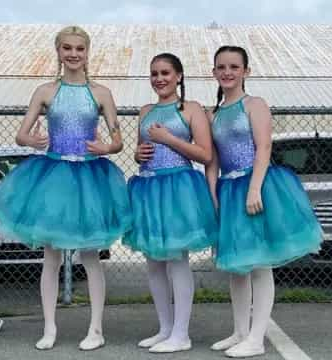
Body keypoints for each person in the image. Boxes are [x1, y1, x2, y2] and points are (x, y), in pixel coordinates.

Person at [0, 25, 132, 351]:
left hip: (91, 178)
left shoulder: (102, 93)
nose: (74, 54)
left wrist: (106, 148)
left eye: (80, 48)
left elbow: (118, 139)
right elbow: (21, 135)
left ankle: (96, 329)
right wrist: (31, 140)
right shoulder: (45, 92)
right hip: (53, 174)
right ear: (59, 51)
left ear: (88, 52)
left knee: (90, 255)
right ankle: (49, 327)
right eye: (68, 48)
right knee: (51, 256)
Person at [205, 45, 323, 358]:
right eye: (221, 67)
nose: (227, 72)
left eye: (234, 66)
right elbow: (213, 161)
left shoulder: (254, 104)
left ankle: (257, 339)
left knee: (259, 264)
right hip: (228, 191)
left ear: (246, 71)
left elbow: (264, 147)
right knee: (237, 267)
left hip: (256, 186)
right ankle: (240, 331)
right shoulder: (213, 114)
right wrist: (212, 192)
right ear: (214, 72)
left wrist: (255, 188)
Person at [123, 53, 217, 353]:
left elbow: (204, 154)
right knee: (153, 263)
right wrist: (138, 155)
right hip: (148, 188)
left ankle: (181, 333)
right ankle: (164, 328)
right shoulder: (145, 110)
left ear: (179, 76)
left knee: (177, 261)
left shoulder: (191, 109)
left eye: (165, 72)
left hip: (177, 188)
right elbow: (141, 149)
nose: (159, 78)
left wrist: (168, 139)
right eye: (154, 73)